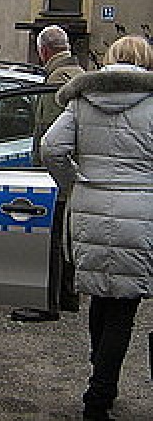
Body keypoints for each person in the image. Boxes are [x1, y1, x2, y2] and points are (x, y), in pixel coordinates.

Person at [42, 35, 153, 421]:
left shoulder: (81, 98)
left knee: (99, 296)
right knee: (123, 307)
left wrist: (75, 184)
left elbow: (52, 148)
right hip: (139, 211)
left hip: (88, 205)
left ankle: (99, 370)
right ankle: (99, 396)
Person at [12, 25, 85, 322]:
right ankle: (68, 295)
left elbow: (48, 135)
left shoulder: (55, 80)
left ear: (44, 51)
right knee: (67, 240)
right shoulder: (80, 74)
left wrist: (37, 169)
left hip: (57, 177)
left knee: (53, 241)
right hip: (78, 174)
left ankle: (49, 301)